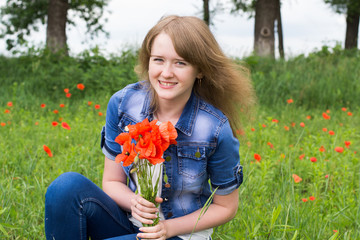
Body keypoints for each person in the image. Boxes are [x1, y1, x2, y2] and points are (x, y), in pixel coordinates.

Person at [45, 15, 255, 240]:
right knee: (65, 187)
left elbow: (226, 207)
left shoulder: (213, 128)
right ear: (148, 61)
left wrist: (168, 229)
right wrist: (133, 202)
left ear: (200, 70)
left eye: (180, 62)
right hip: (129, 222)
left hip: (181, 235)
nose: (166, 72)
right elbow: (112, 181)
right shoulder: (124, 104)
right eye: (158, 60)